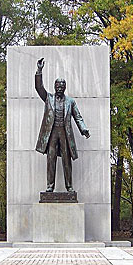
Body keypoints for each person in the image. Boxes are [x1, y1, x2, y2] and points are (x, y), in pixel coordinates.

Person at [35, 58, 90, 192]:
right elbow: (39, 87)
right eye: (57, 86)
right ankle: (50, 186)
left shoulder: (70, 101)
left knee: (66, 159)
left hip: (65, 133)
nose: (59, 88)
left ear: (64, 88)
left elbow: (78, 117)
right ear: (55, 87)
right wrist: (39, 71)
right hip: (52, 132)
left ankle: (69, 186)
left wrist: (83, 129)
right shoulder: (48, 98)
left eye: (62, 86)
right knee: (51, 158)